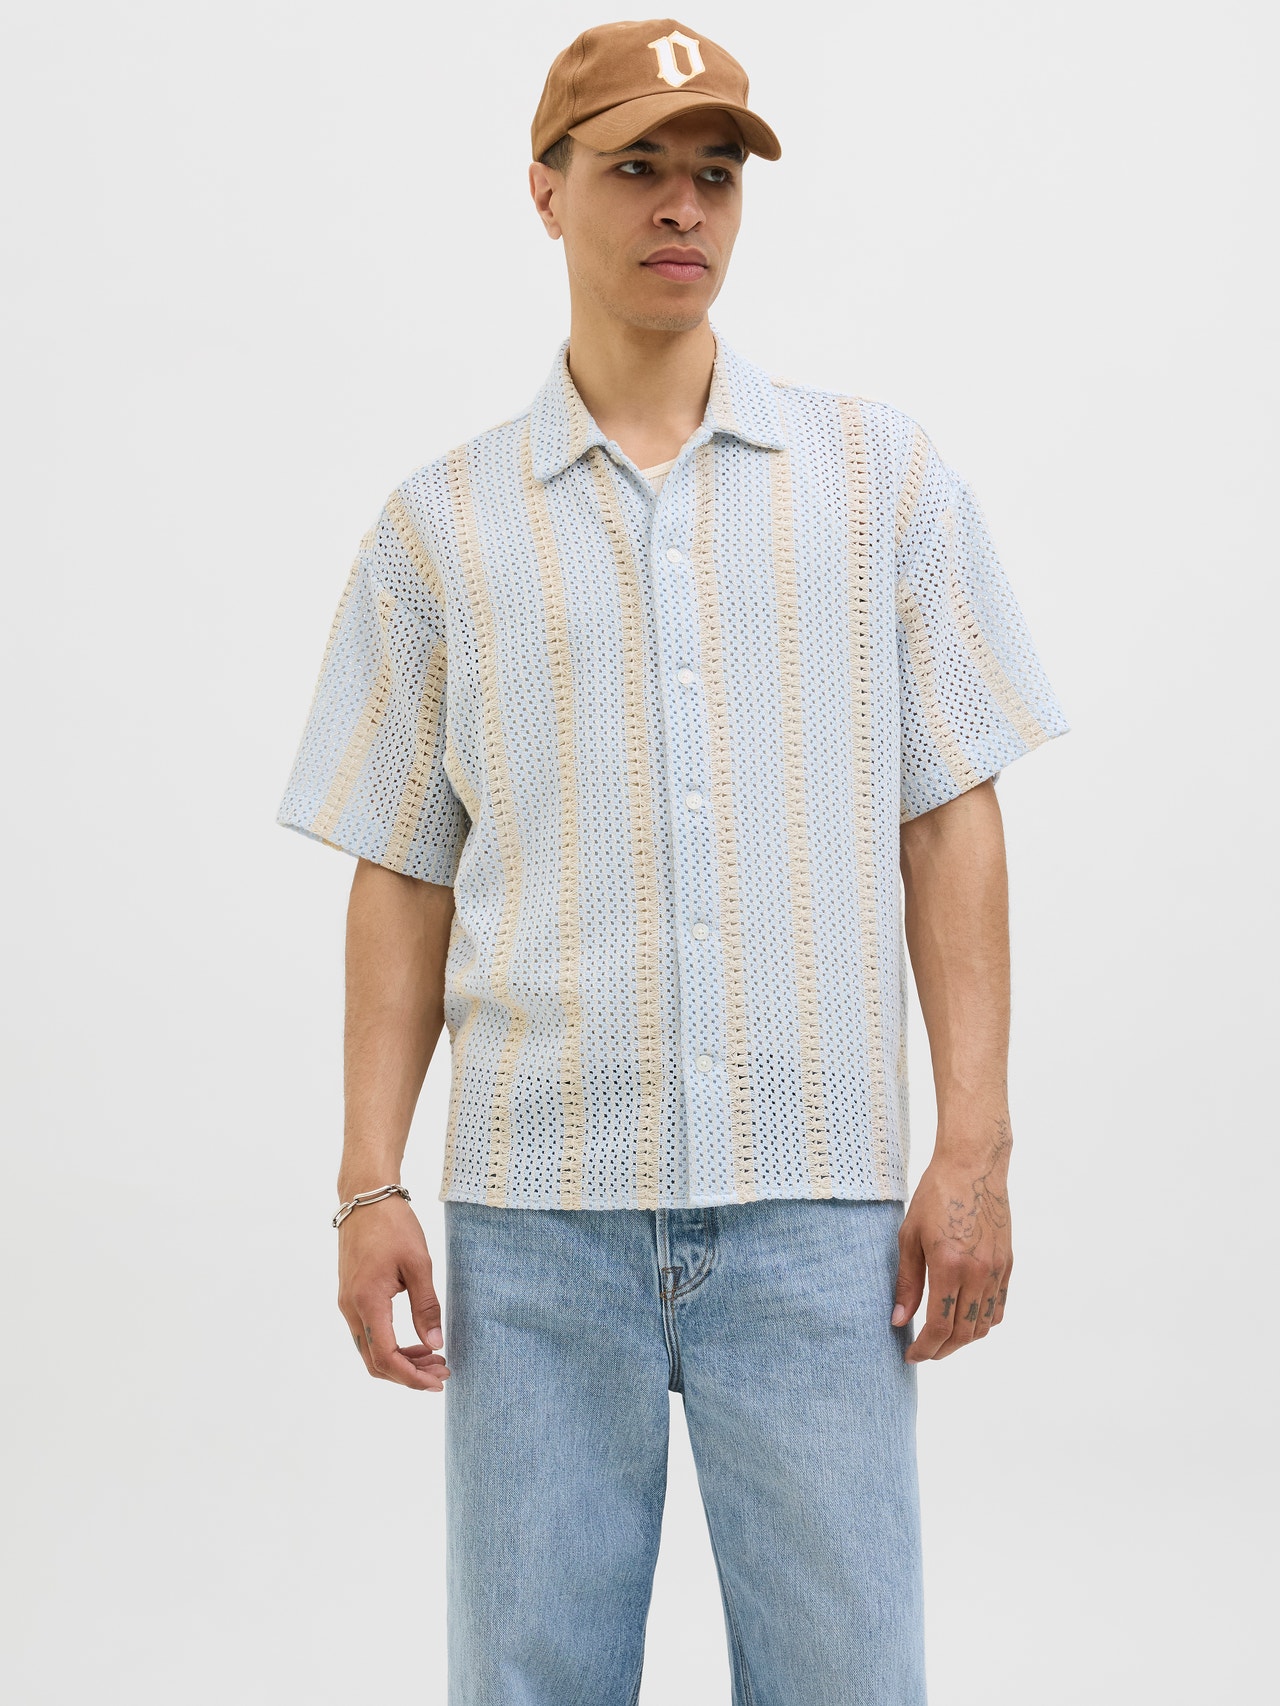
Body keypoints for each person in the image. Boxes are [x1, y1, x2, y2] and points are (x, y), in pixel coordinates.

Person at [276, 17, 1070, 1703]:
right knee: (531, 1678)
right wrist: (367, 1180)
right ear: (544, 190)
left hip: (818, 1215)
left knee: (850, 1678)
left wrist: (976, 1141)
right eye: (636, 166)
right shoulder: (441, 531)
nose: (681, 207)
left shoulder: (879, 485)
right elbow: (404, 871)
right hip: (537, 1224)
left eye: (713, 174)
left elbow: (949, 815)